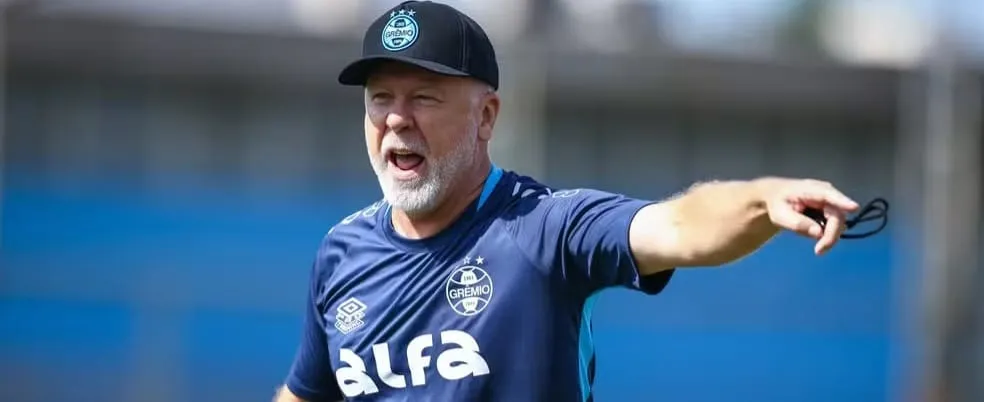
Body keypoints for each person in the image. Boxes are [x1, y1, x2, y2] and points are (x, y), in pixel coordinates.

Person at [274, 1, 864, 401]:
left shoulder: (543, 230)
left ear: (486, 117)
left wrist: (762, 200)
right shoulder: (342, 253)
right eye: (381, 99)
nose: (397, 119)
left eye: (425, 97)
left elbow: (680, 225)